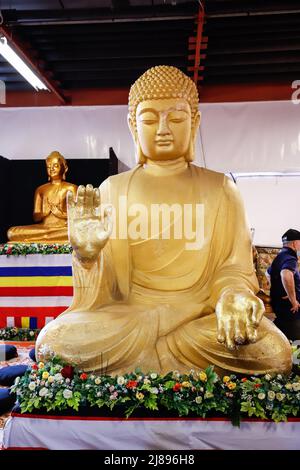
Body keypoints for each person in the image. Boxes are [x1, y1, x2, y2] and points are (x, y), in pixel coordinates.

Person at [36, 66, 291, 376]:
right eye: (149, 119)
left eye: (177, 118)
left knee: (274, 353)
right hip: (130, 317)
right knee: (53, 342)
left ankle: (141, 367)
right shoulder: (113, 189)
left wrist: (232, 296)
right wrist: (88, 257)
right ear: (133, 126)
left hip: (197, 318)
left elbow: (233, 269)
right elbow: (105, 296)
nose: (163, 129)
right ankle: (173, 365)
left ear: (194, 122)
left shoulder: (221, 189)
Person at [7, 151, 77, 243]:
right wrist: (43, 213)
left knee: (77, 232)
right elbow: (36, 217)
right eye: (48, 166)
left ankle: (47, 237)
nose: (51, 169)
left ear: (65, 168)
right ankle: (49, 237)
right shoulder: (40, 189)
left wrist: (61, 214)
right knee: (12, 232)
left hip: (63, 228)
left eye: (55, 166)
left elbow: (78, 215)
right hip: (43, 227)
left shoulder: (71, 188)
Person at [267, 228, 300, 340]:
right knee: (295, 338)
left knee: (282, 331)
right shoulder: (290, 257)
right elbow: (286, 274)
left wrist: (280, 288)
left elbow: (268, 273)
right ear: (295, 243)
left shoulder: (281, 255)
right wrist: (293, 300)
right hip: (290, 307)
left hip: (280, 304)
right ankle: (294, 357)